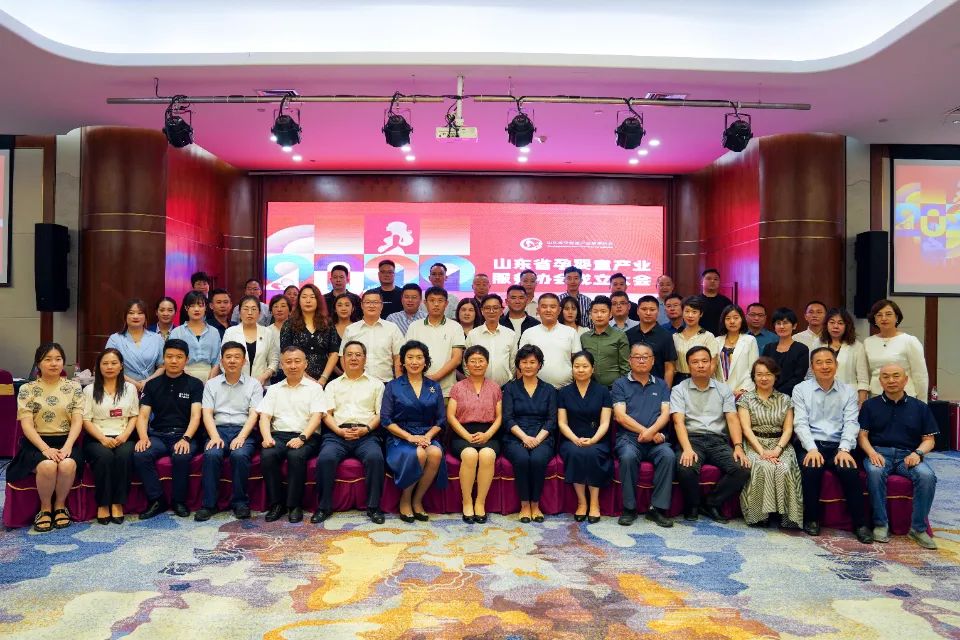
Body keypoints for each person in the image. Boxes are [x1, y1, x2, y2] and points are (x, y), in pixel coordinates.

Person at [791, 347, 872, 543]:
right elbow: (800, 423)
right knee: (812, 468)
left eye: (829, 362)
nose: (824, 366)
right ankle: (811, 519)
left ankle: (860, 524)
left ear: (836, 365)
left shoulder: (848, 391)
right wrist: (811, 449)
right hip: (810, 443)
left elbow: (851, 422)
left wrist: (844, 449)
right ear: (812, 367)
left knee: (849, 471)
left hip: (838, 444)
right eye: (819, 363)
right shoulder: (801, 389)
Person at [858, 363, 939, 549]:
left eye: (896, 376)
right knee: (875, 472)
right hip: (879, 453)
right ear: (880, 381)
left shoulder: (920, 407)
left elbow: (929, 440)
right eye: (886, 377)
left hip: (908, 456)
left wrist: (918, 453)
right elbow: (862, 436)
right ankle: (880, 524)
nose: (891, 380)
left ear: (905, 380)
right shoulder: (870, 405)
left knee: (927, 476)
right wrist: (871, 453)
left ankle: (918, 528)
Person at [10, 343, 85, 532]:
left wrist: (68, 446)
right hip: (36, 443)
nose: (53, 363)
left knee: (67, 464)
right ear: (38, 363)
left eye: (58, 359)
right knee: (47, 466)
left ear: (63, 362)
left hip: (66, 441)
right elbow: (26, 425)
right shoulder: (27, 389)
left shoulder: (74, 387)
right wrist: (45, 449)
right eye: (48, 359)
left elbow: (77, 421)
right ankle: (45, 509)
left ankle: (60, 506)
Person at [671, 346, 751, 522]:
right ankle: (692, 505)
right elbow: (678, 421)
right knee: (685, 467)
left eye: (704, 361)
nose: (700, 365)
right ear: (688, 365)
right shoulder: (679, 389)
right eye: (695, 362)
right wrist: (687, 449)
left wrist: (738, 447)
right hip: (692, 439)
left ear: (711, 364)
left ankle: (711, 503)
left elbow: (732, 419)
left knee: (742, 469)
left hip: (717, 440)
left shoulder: (724, 389)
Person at [315, 340, 386, 524]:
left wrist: (366, 429)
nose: (354, 358)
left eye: (358, 355)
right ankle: (324, 507)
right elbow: (326, 414)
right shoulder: (332, 385)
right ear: (343, 359)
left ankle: (374, 507)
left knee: (375, 458)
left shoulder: (377, 385)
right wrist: (339, 431)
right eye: (349, 355)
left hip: (366, 434)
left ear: (365, 359)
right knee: (326, 458)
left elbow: (380, 414)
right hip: (337, 434)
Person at [132, 339, 205, 519]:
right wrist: (143, 437)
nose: (173, 361)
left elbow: (196, 416)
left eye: (179, 357)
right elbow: (143, 415)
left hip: (184, 435)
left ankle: (179, 501)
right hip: (158, 435)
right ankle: (157, 499)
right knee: (141, 454)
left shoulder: (195, 384)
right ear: (163, 358)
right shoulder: (152, 384)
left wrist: (186, 438)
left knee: (181, 455)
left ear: (186, 359)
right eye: (169, 356)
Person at [194, 341, 264, 521]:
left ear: (244, 361)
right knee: (212, 454)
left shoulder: (254, 384)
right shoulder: (211, 384)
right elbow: (207, 413)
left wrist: (241, 437)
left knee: (239, 455)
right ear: (222, 361)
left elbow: (253, 415)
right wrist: (214, 436)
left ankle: (240, 503)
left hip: (244, 430)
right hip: (217, 429)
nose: (232, 361)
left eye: (237, 357)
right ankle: (209, 505)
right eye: (228, 357)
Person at [258, 346, 327, 523]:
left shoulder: (315, 388)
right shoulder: (274, 389)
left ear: (305, 364)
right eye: (288, 362)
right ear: (282, 366)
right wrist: (266, 437)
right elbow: (264, 416)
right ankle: (276, 504)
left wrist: (302, 438)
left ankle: (294, 505)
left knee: (296, 456)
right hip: (279, 435)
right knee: (268, 455)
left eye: (297, 361)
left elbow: (317, 417)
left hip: (307, 436)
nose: (293, 365)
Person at [382, 341, 448, 522]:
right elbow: (386, 420)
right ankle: (405, 499)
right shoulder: (393, 386)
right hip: (400, 436)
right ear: (403, 362)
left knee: (435, 453)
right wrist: (410, 437)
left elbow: (441, 420)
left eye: (419, 358)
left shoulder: (433, 386)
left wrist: (427, 436)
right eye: (410, 357)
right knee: (419, 453)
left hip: (427, 435)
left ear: (426, 361)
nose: (414, 362)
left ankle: (417, 500)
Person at [612, 343, 675, 528]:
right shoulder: (620, 384)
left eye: (646, 357)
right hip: (629, 439)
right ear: (630, 360)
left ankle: (657, 509)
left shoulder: (661, 385)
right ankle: (629, 508)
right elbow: (621, 416)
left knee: (668, 456)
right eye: (637, 357)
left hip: (656, 439)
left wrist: (652, 432)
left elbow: (665, 414)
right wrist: (646, 432)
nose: (641, 360)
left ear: (653, 360)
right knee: (628, 457)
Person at [736, 357, 802, 528]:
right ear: (753, 377)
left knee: (783, 468)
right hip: (754, 443)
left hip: (780, 444)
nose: (764, 378)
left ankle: (786, 516)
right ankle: (759, 516)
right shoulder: (745, 399)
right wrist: (762, 452)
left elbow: (788, 429)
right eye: (759, 374)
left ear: (775, 376)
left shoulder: (785, 399)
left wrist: (777, 450)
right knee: (762, 466)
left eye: (768, 374)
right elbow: (746, 429)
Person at [82, 348, 139, 524]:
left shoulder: (130, 388)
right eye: (105, 363)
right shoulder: (89, 390)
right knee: (104, 457)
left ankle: (118, 503)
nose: (109, 367)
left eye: (114, 363)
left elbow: (134, 415)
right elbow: (86, 419)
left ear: (121, 366)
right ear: (98, 367)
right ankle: (103, 504)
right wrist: (102, 438)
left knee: (124, 456)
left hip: (124, 434)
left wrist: (125, 435)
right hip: (97, 436)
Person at [502, 345, 558, 523]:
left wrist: (537, 439)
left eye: (532, 362)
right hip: (515, 436)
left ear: (539, 364)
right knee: (522, 459)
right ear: (518, 364)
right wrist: (525, 438)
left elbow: (552, 419)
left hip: (543, 436)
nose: (528, 366)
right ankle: (525, 505)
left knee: (538, 459)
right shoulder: (510, 388)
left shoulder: (549, 389)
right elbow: (508, 418)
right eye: (524, 362)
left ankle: (536, 504)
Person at [447, 345, 503, 522]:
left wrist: (488, 435)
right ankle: (467, 502)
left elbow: (500, 417)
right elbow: (451, 416)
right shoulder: (457, 387)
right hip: (462, 433)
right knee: (470, 454)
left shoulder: (495, 388)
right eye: (473, 361)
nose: (477, 364)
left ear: (487, 363)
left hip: (489, 433)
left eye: (481, 361)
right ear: (466, 364)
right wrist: (466, 435)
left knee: (487, 455)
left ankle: (480, 503)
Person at [558, 351, 613, 523]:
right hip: (571, 439)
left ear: (592, 369)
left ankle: (594, 503)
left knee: (592, 453)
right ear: (572, 368)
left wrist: (594, 440)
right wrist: (574, 439)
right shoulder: (564, 392)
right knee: (576, 453)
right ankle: (582, 502)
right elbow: (562, 423)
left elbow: (605, 422)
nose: (580, 370)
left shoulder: (603, 391)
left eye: (585, 366)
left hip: (597, 438)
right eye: (577, 366)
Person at [405, 287, 466, 398]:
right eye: (432, 300)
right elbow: (407, 356)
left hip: (446, 391)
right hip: (417, 388)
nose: (436, 304)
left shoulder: (455, 327)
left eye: (440, 300)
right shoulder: (414, 326)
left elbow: (457, 358)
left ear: (446, 303)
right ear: (425, 303)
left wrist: (434, 377)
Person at [863, 299, 929, 401]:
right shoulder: (868, 342)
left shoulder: (909, 341)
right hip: (877, 397)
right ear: (874, 319)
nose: (884, 318)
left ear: (897, 317)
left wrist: (922, 403)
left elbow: (920, 375)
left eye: (888, 314)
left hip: (906, 398)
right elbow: (866, 374)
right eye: (879, 315)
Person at [280, 283, 340, 386]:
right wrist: (306, 378)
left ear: (318, 300)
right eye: (304, 297)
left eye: (312, 297)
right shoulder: (289, 324)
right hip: (297, 379)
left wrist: (323, 379)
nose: (308, 300)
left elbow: (334, 353)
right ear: (299, 300)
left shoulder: (328, 323)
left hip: (324, 380)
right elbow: (285, 353)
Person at [518, 293, 582, 389]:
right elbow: (520, 363)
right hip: (535, 391)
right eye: (544, 307)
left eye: (552, 307)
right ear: (538, 310)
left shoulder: (571, 332)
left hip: (565, 389)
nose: (548, 310)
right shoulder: (528, 333)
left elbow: (578, 362)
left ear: (559, 310)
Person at [341, 290, 404, 383]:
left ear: (381, 306)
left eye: (375, 302)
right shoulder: (350, 330)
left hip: (385, 383)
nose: (371, 305)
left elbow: (398, 356)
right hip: (357, 382)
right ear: (362, 305)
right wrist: (351, 378)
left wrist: (398, 382)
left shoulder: (392, 328)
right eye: (367, 302)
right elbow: (343, 357)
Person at [809, 307, 869, 405]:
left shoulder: (857, 346)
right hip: (820, 396)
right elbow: (811, 372)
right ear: (826, 324)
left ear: (847, 326)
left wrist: (861, 402)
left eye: (840, 323)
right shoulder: (817, 343)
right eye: (832, 322)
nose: (835, 326)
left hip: (849, 398)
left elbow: (863, 379)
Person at [106, 298, 165, 392]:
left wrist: (147, 382)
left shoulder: (157, 338)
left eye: (140, 313)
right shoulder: (115, 339)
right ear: (125, 316)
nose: (135, 316)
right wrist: (134, 384)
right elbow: (110, 367)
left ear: (145, 316)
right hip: (123, 387)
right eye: (131, 313)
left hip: (150, 388)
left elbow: (162, 366)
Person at [223, 295, 280, 386]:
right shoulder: (230, 332)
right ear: (239, 312)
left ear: (259, 313)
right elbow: (224, 360)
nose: (249, 313)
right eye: (246, 309)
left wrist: (264, 377)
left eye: (253, 309)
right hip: (236, 384)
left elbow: (274, 361)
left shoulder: (267, 333)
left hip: (261, 384)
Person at [168, 291, 222, 381]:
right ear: (186, 308)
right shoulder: (177, 332)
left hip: (210, 376)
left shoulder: (214, 332)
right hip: (183, 377)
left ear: (205, 308)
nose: (196, 309)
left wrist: (210, 382)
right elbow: (173, 358)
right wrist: (190, 382)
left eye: (200, 305)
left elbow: (217, 361)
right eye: (192, 306)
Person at [625, 294, 677, 386]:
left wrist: (665, 391)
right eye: (644, 309)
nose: (648, 313)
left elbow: (669, 368)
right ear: (637, 311)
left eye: (652, 310)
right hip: (631, 386)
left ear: (658, 311)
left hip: (657, 386)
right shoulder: (628, 334)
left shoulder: (666, 336)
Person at [467, 294, 517, 387]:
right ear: (482, 311)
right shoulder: (473, 334)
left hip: (505, 387)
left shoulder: (510, 334)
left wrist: (510, 380)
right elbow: (466, 363)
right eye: (487, 308)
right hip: (478, 387)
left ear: (501, 311)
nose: (491, 311)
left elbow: (513, 363)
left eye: (495, 308)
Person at [580, 296, 629, 387]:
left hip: (613, 388)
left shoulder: (620, 336)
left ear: (610, 314)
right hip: (590, 387)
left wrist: (623, 388)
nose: (599, 315)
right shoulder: (584, 337)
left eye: (603, 311)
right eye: (595, 312)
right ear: (590, 315)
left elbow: (625, 366)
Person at [761, 307, 809, 396]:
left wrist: (777, 394)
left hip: (792, 395)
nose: (782, 326)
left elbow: (798, 377)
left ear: (794, 326)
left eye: (785, 323)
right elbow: (763, 372)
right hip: (767, 394)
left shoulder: (802, 349)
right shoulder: (768, 348)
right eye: (778, 323)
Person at [713, 305, 759, 396]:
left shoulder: (750, 340)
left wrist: (743, 390)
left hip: (743, 392)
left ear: (742, 320)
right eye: (728, 318)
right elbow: (713, 371)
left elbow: (754, 369)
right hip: (720, 392)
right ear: (723, 321)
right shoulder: (716, 341)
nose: (732, 321)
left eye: (736, 318)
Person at [672, 296, 717, 385]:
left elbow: (713, 364)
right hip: (679, 380)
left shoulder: (708, 336)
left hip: (702, 379)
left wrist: (703, 382)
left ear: (701, 314)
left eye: (694, 312)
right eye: (687, 311)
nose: (690, 315)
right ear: (682, 312)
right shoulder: (675, 336)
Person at [698, 269, 734, 335]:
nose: (712, 281)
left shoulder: (726, 302)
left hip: (721, 337)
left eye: (715, 279)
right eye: (708, 278)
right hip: (699, 336)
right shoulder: (695, 301)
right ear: (702, 282)